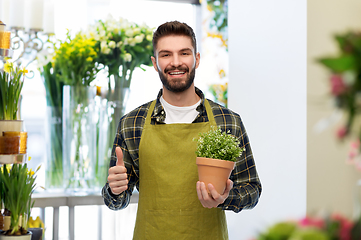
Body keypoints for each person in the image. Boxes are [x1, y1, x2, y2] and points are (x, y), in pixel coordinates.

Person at [102, 20, 262, 239]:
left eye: (184, 53)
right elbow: (116, 201)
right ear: (155, 62)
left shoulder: (228, 121)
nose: (175, 62)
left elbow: (252, 190)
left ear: (196, 59)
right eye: (166, 54)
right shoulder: (132, 123)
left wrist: (225, 197)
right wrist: (115, 189)